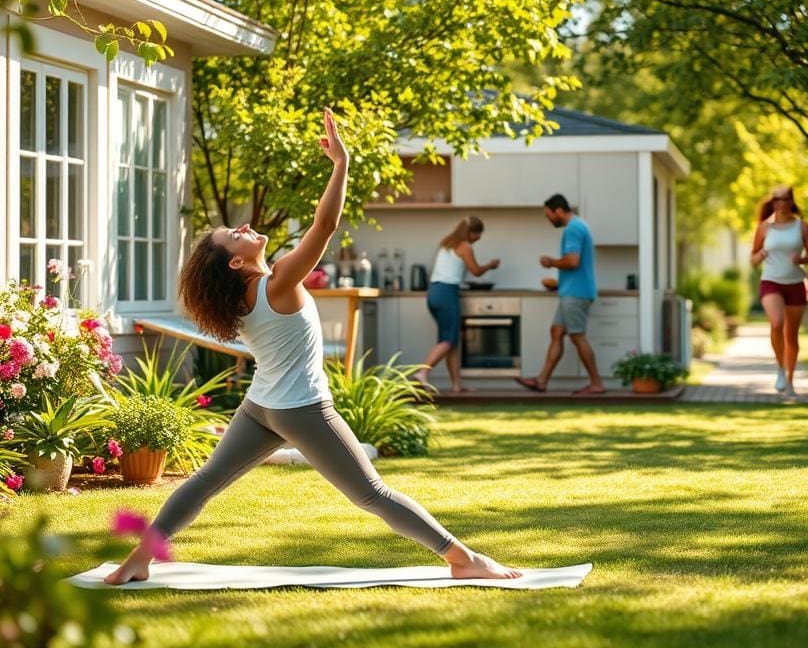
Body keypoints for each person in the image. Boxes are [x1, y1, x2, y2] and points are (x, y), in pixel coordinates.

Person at [104, 108, 520, 585]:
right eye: (233, 235)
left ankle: (139, 560)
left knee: (203, 484)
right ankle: (463, 559)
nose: (242, 226)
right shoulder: (277, 281)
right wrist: (340, 164)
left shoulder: (240, 300)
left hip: (262, 406)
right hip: (302, 407)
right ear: (237, 262)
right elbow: (323, 227)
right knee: (373, 494)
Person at [514, 194, 605, 396]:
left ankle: (596, 383)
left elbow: (573, 261)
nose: (549, 220)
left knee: (578, 336)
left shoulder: (573, 229)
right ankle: (541, 381)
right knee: (557, 332)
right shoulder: (578, 226)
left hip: (576, 293)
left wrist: (551, 262)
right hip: (570, 291)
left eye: (549, 215)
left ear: (559, 211)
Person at [415, 216, 499, 393]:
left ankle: (456, 386)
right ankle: (422, 372)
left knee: (450, 341)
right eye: (478, 234)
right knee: (449, 339)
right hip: (447, 293)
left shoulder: (447, 243)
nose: (479, 238)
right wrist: (491, 265)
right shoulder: (465, 246)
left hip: (434, 292)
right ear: (471, 232)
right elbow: (476, 271)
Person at [750, 184, 808, 397]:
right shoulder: (764, 228)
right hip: (771, 281)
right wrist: (760, 255)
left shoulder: (802, 226)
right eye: (777, 199)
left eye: (785, 199)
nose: (781, 203)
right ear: (773, 203)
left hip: (796, 283)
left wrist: (803, 259)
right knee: (777, 323)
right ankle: (780, 368)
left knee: (792, 336)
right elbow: (752, 260)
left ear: (791, 202)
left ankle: (789, 381)